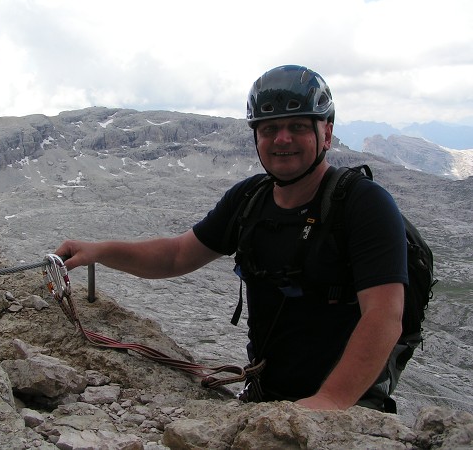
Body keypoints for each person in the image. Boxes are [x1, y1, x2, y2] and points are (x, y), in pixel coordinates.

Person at [55, 65, 408, 412]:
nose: (282, 139)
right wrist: (99, 251)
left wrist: (329, 401)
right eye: (269, 129)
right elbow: (176, 255)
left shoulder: (363, 204)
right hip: (267, 396)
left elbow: (383, 315)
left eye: (298, 126)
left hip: (351, 406)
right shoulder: (248, 200)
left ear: (326, 135)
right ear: (256, 137)